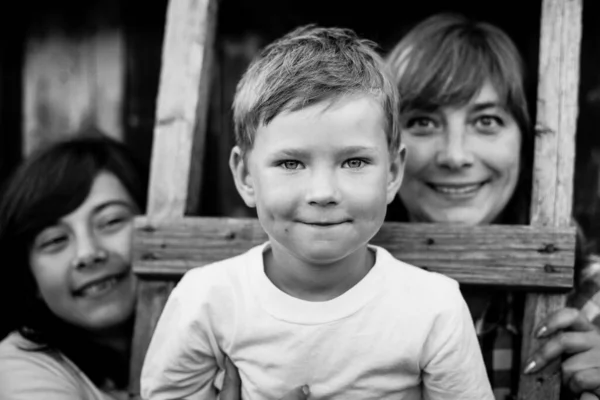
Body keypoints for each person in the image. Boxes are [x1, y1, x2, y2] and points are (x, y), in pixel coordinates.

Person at [140, 24, 493, 399]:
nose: (323, 193)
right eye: (291, 164)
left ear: (392, 173)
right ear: (245, 176)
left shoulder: (434, 308)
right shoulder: (208, 300)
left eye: (354, 161)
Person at [384, 13, 600, 399]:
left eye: (486, 120)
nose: (455, 156)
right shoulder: (326, 288)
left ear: (528, 142)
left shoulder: (590, 296)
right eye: (422, 122)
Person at [0, 133, 147, 400]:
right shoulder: (19, 368)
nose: (88, 253)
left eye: (111, 221)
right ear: (30, 277)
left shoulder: (216, 333)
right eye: (55, 240)